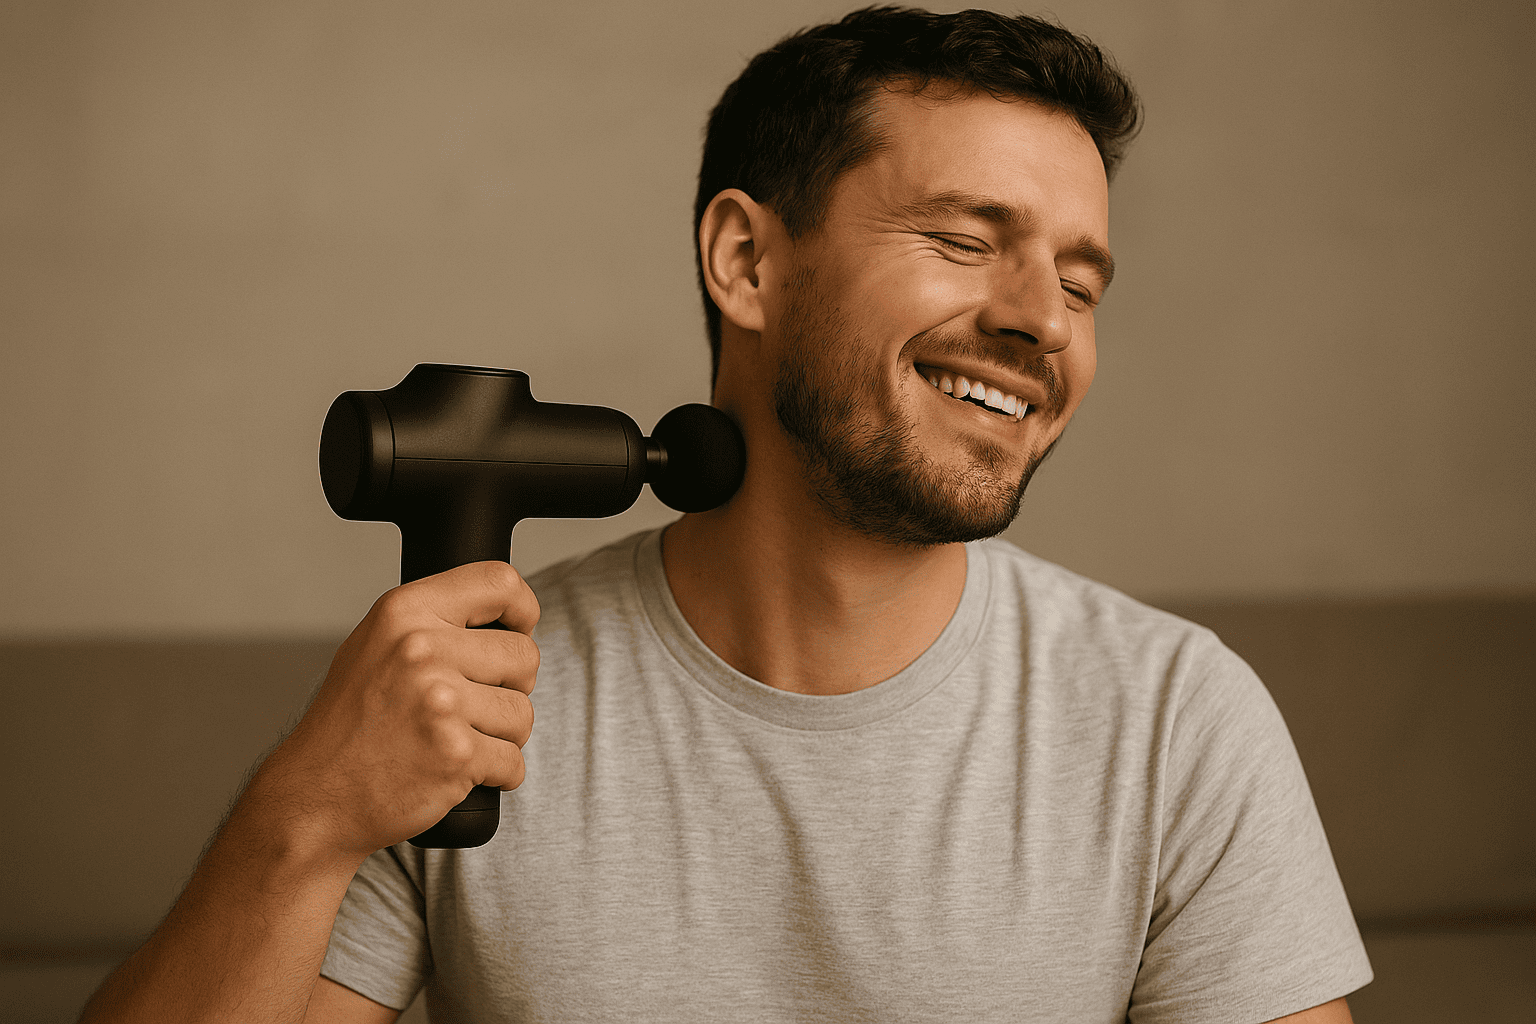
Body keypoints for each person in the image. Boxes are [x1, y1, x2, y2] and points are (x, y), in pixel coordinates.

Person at [80, 7, 1372, 1023]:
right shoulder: (479, 709)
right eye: (967, 240)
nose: (1042, 318)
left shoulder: (1172, 719)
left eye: (1082, 283)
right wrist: (304, 812)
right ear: (747, 261)